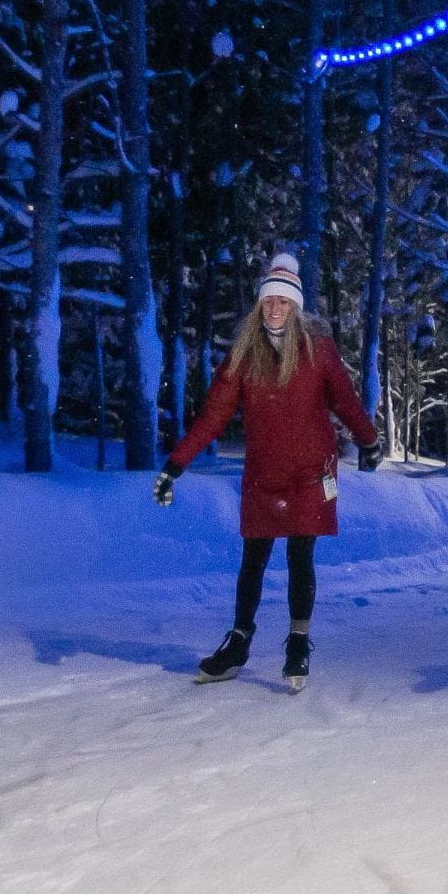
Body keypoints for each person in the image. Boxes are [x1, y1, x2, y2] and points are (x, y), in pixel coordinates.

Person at [154, 253, 380, 691]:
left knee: (300, 556)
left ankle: (297, 642)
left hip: (311, 473)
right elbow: (212, 416)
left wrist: (368, 440)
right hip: (264, 473)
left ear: (296, 307)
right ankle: (238, 643)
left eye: (284, 302)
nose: (275, 309)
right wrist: (174, 465)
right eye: (268, 301)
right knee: (252, 560)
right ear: (259, 306)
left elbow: (346, 401)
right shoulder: (243, 355)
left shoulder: (319, 351)